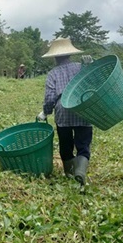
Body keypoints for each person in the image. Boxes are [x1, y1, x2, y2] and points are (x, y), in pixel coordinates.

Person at [37, 37, 93, 188]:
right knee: (83, 144)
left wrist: (45, 112)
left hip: (63, 111)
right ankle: (80, 172)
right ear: (69, 54)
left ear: (55, 57)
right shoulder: (81, 67)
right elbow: (92, 83)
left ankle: (69, 174)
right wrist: (89, 67)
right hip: (83, 108)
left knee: (65, 144)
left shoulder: (53, 74)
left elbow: (50, 98)